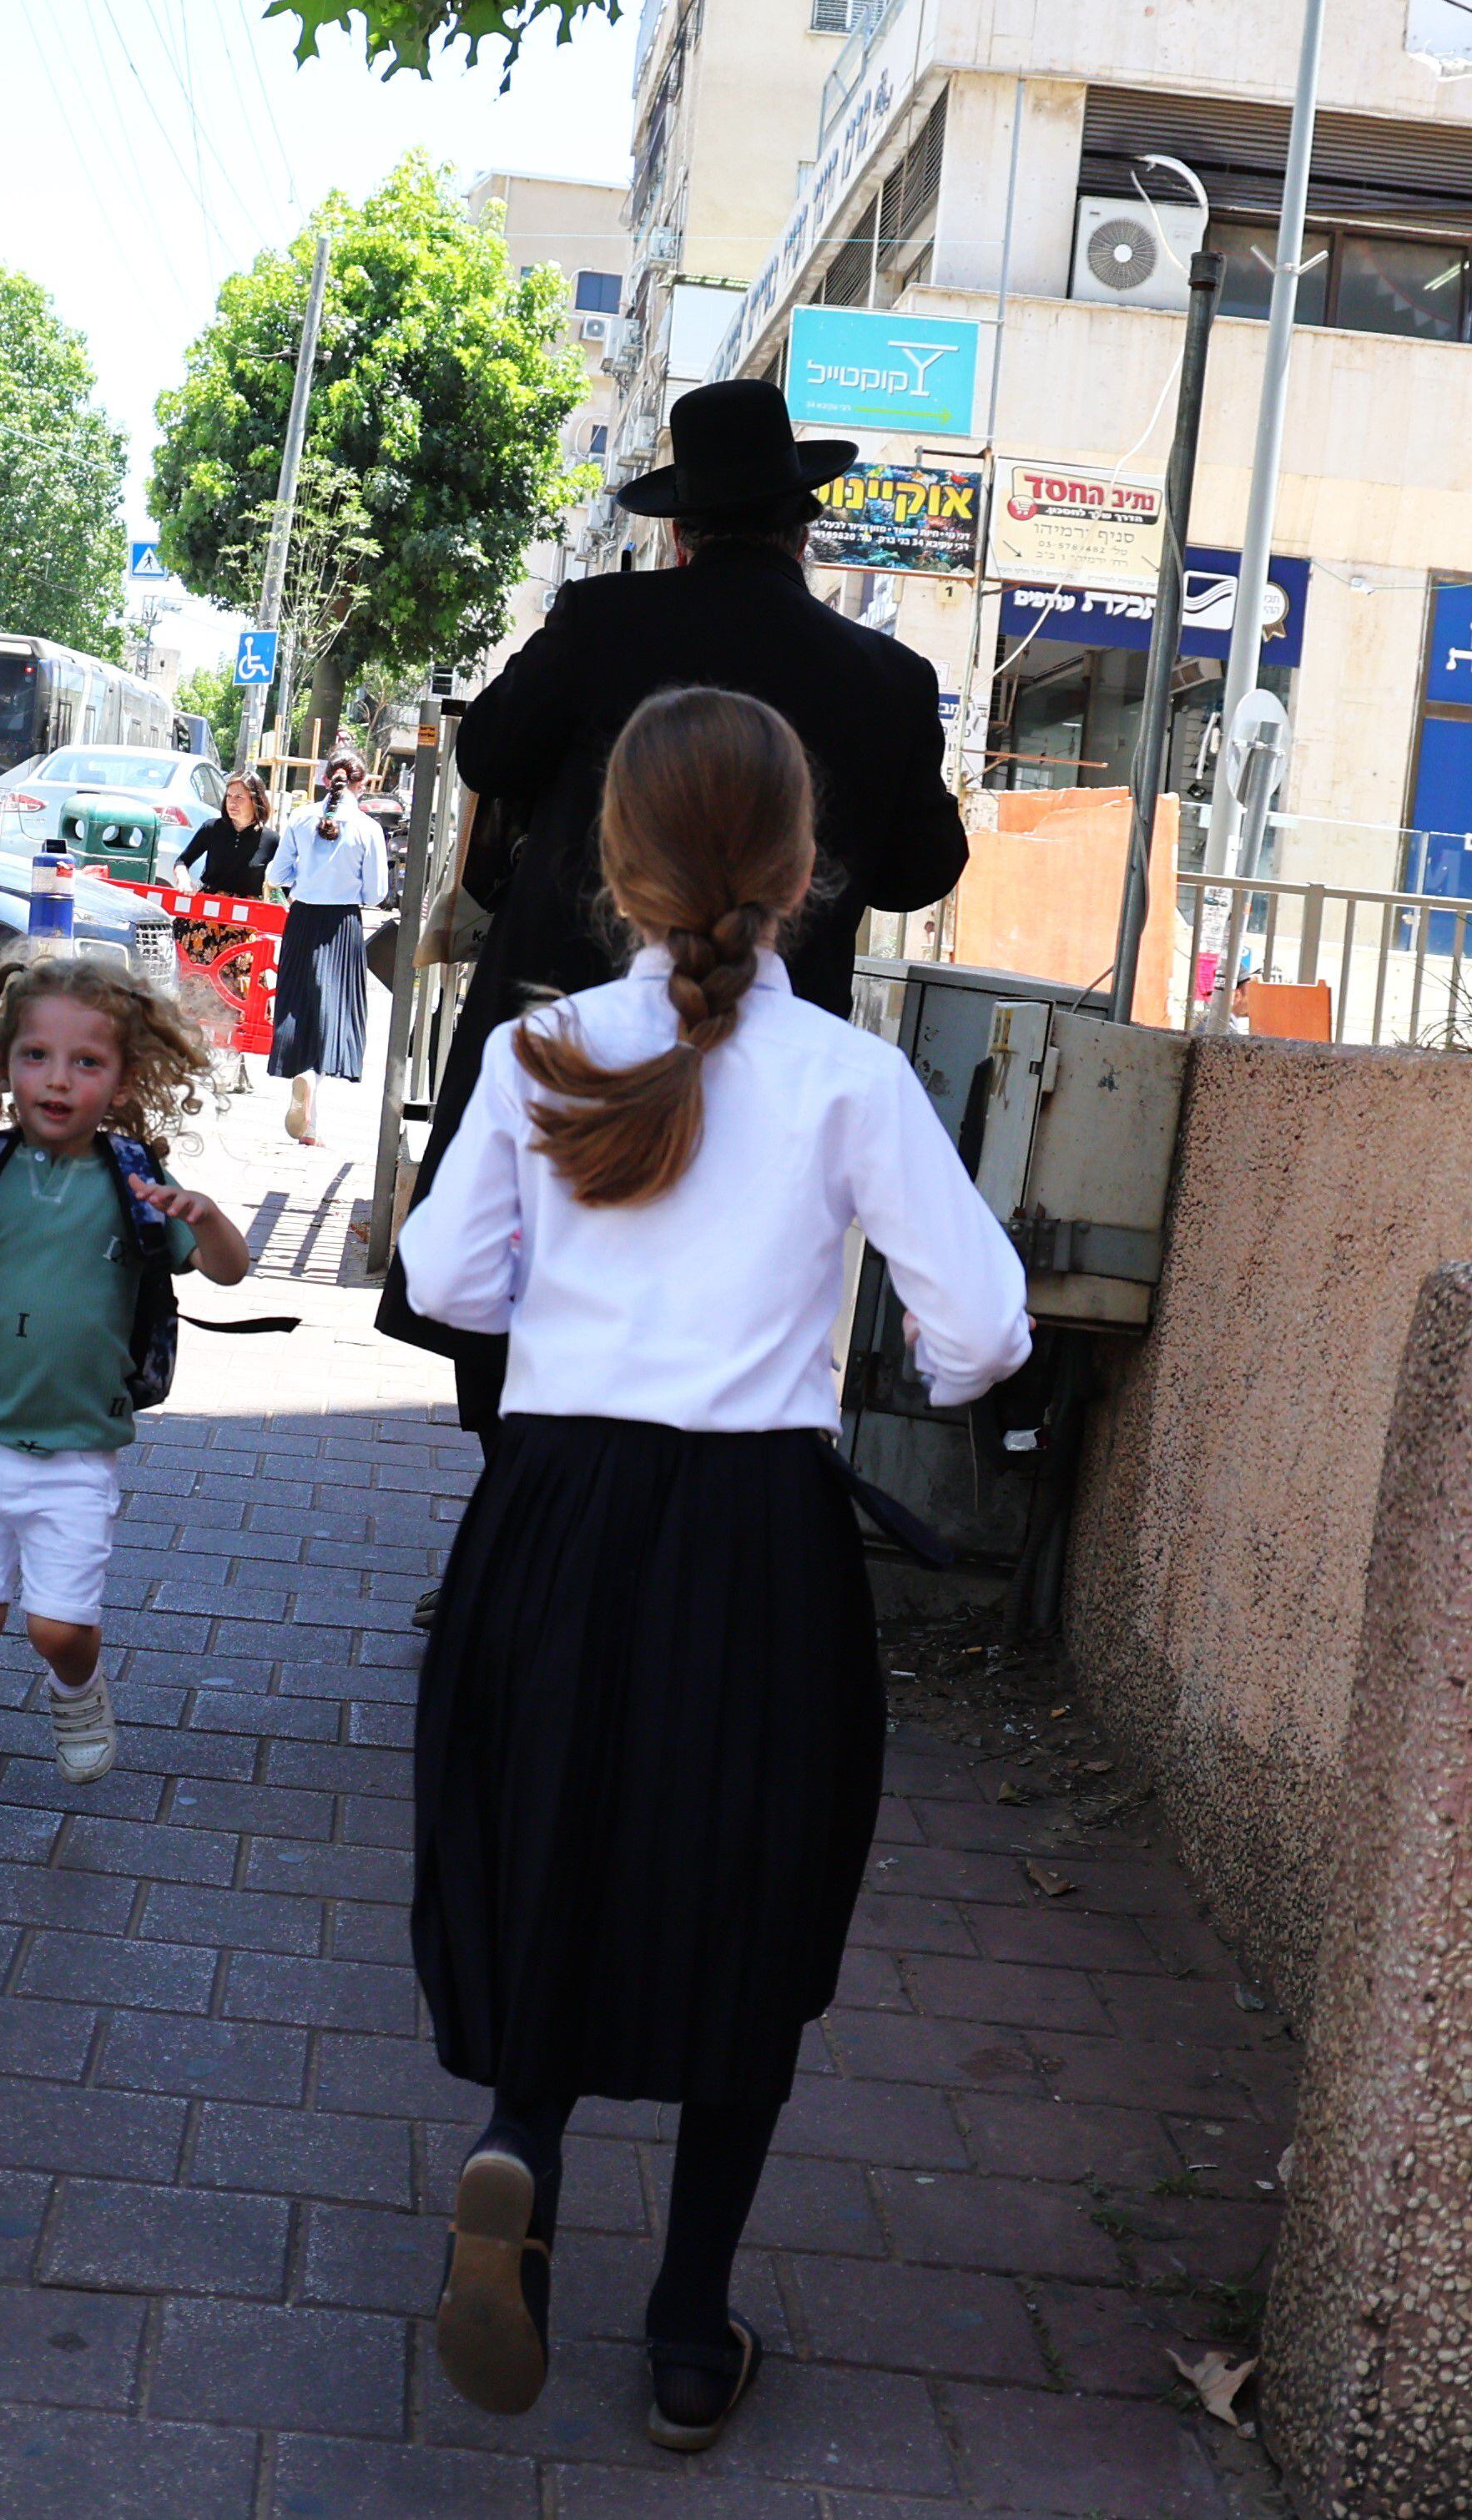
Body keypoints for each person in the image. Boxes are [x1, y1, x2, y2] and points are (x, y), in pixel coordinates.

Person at [398, 687, 1029, 2452]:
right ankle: (686, 2327)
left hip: (550, 1513)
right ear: (804, 868)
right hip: (750, 1533)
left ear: (607, 860)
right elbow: (977, 1326)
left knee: (553, 1844)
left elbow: (443, 1283)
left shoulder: (543, 1055)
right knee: (743, 1900)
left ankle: (520, 2140)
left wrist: (577, 1304)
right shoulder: (847, 1076)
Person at [377, 378, 968, 1447]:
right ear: (805, 526)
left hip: (566, 1005)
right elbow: (920, 870)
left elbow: (491, 751)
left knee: (525, 1272)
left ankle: (527, 1530)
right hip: (769, 1043)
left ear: (680, 530)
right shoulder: (885, 675)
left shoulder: (604, 619)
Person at [0, 951, 250, 1843]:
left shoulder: (132, 1181)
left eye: (86, 1062)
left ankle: (77, 1684)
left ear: (123, 1078)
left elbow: (230, 1272)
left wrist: (205, 1215)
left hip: (77, 1456)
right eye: (36, 1055)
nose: (57, 1078)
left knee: (57, 1629)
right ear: (4, 1063)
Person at [268, 756, 387, 1144]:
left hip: (301, 920)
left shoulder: (301, 818)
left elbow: (275, 874)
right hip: (342, 924)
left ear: (323, 779)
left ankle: (303, 1083)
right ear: (363, 783)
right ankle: (313, 1116)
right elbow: (377, 893)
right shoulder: (369, 828)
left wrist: (304, 879)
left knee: (297, 1005)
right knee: (332, 1013)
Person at [173, 770, 273, 899]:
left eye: (239, 797)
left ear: (255, 800)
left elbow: (283, 882)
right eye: (229, 796)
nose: (231, 802)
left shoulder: (271, 840)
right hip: (208, 908)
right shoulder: (212, 828)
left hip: (248, 914)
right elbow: (182, 861)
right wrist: (184, 880)